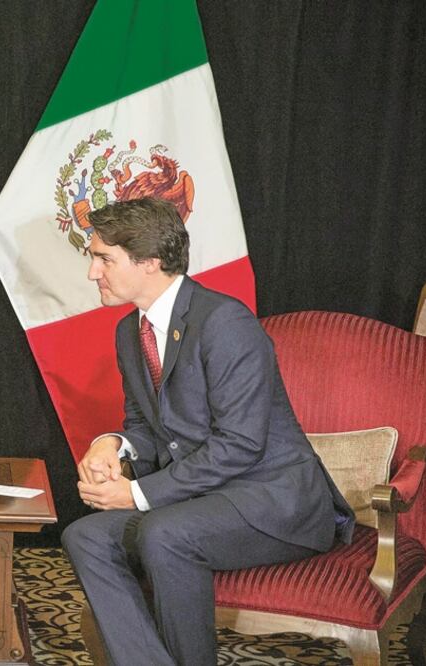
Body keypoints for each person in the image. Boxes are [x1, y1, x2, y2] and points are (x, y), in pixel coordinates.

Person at [60, 197, 354, 666]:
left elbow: (240, 445)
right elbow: (148, 427)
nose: (93, 272)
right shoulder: (127, 332)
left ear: (150, 262)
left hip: (275, 501)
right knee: (84, 536)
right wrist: (111, 444)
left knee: (161, 532)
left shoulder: (224, 323)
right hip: (205, 498)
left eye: (103, 258)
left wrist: (136, 495)